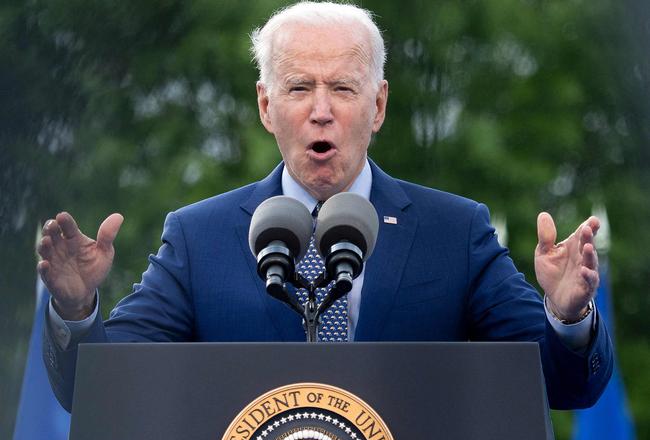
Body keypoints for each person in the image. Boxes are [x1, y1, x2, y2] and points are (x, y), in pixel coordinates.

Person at [38, 1, 612, 413]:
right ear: (266, 106)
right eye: (297, 88)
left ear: (378, 104)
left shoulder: (453, 231)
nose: (321, 111)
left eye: (342, 88)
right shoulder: (199, 237)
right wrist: (75, 309)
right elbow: (101, 392)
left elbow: (564, 388)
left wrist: (566, 319)